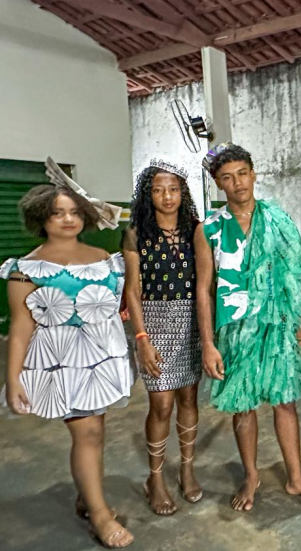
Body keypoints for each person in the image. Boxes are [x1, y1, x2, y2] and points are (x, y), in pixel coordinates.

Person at [195, 143, 301, 510]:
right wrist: (208, 343)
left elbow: (294, 277)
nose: (237, 183)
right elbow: (204, 291)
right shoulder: (209, 229)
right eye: (227, 177)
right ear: (217, 184)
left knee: (285, 402)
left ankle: (295, 477)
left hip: (279, 325)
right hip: (235, 329)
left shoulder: (279, 220)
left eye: (242, 173)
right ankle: (251, 475)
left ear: (253, 174)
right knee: (244, 405)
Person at [3, 183, 134, 548]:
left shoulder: (104, 257)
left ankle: (86, 495)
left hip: (102, 357)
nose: (68, 219)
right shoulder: (26, 269)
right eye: (58, 212)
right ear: (41, 217)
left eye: (75, 211)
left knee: (95, 433)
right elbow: (20, 327)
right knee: (87, 433)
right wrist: (13, 378)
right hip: (61, 361)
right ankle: (100, 514)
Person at [123, 160, 204, 515]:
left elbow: (205, 284)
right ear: (147, 194)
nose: (166, 196)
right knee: (162, 404)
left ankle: (186, 468)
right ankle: (155, 478)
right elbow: (132, 290)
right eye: (158, 189)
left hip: (192, 320)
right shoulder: (136, 233)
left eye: (173, 189)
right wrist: (141, 338)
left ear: (183, 193)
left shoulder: (195, 230)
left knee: (188, 396)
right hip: (154, 321)